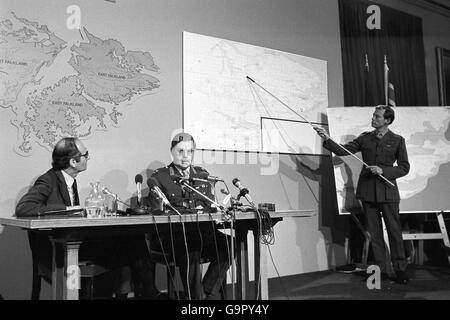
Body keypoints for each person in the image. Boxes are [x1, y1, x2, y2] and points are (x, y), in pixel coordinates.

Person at [15, 137, 153, 299]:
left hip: (75, 242)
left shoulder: (69, 181)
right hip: (58, 248)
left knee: (131, 238)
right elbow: (23, 208)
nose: (88, 158)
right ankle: (149, 291)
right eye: (85, 154)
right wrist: (69, 209)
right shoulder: (48, 180)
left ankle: (146, 291)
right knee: (127, 246)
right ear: (73, 162)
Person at [314, 105, 410, 284]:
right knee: (375, 234)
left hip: (388, 192)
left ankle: (400, 269)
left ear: (387, 120)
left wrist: (384, 170)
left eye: (377, 116)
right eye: (373, 115)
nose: (373, 118)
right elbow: (343, 150)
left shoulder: (397, 140)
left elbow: (404, 167)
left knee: (394, 232)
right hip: (367, 192)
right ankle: (380, 269)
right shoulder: (365, 138)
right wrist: (326, 139)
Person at [147, 132, 232, 300]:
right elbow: (158, 212)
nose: (185, 156)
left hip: (204, 232)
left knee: (229, 244)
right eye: (180, 151)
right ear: (172, 151)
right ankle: (195, 298)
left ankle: (206, 292)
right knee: (191, 246)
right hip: (176, 236)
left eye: (190, 151)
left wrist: (220, 212)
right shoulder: (160, 177)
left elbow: (211, 207)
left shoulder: (202, 175)